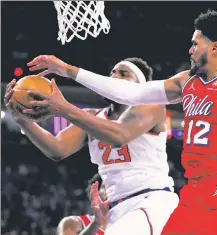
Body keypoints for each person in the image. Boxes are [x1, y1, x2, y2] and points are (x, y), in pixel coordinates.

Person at [26, 9, 217, 235]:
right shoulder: (187, 81)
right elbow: (130, 93)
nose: (190, 49)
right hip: (194, 190)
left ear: (215, 47)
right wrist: (68, 70)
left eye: (195, 44)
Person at [5, 57, 179, 235]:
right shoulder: (93, 116)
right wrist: (22, 121)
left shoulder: (152, 105)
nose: (114, 76)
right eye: (113, 72)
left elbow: (119, 135)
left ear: (139, 86)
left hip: (151, 201)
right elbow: (57, 149)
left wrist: (64, 108)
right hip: (115, 210)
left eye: (124, 74)